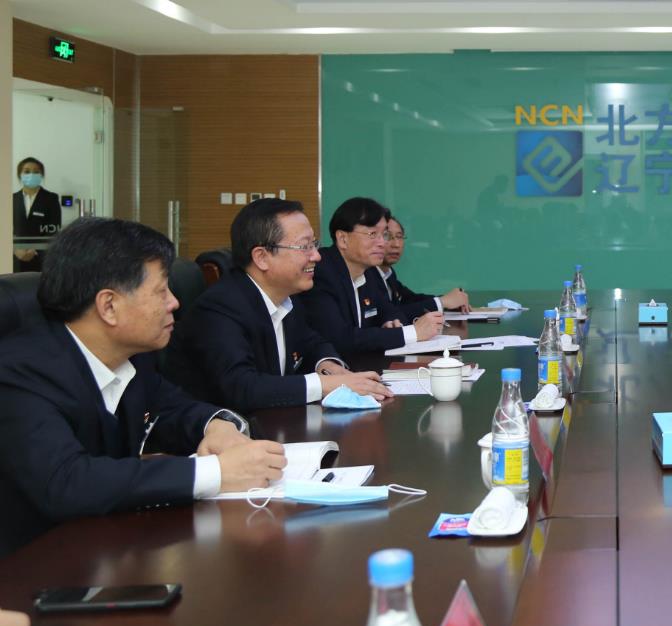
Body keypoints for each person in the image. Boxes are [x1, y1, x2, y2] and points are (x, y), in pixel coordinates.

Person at [0, 218, 286, 557]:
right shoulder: (20, 372)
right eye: (161, 291)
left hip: (108, 546)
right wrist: (216, 472)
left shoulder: (132, 356)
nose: (174, 303)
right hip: (31, 567)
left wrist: (218, 426)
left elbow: (174, 408)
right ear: (109, 306)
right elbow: (67, 481)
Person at [167, 198, 392, 413]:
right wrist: (324, 384)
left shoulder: (286, 296)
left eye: (314, 244)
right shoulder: (220, 308)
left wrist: (329, 366)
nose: (317, 256)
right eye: (304, 247)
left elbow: (312, 342)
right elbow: (243, 387)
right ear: (262, 257)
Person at [296, 197, 442, 355]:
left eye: (384, 234)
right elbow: (340, 339)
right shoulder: (321, 273)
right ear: (343, 239)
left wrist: (392, 323)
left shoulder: (368, 271)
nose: (382, 243)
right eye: (372, 234)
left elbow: (391, 311)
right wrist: (412, 333)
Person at [379, 214, 470, 318]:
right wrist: (441, 302)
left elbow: (411, 299)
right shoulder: (369, 276)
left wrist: (449, 301)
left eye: (399, 237)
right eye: (387, 236)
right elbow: (386, 315)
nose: (396, 244)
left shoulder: (388, 273)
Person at [11, 157, 61, 273]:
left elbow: (53, 229)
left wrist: (34, 250)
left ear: (41, 175)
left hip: (41, 258)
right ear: (19, 175)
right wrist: (15, 249)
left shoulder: (51, 199)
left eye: (36, 171)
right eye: (27, 171)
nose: (31, 175)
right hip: (14, 258)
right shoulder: (12, 199)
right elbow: (5, 228)